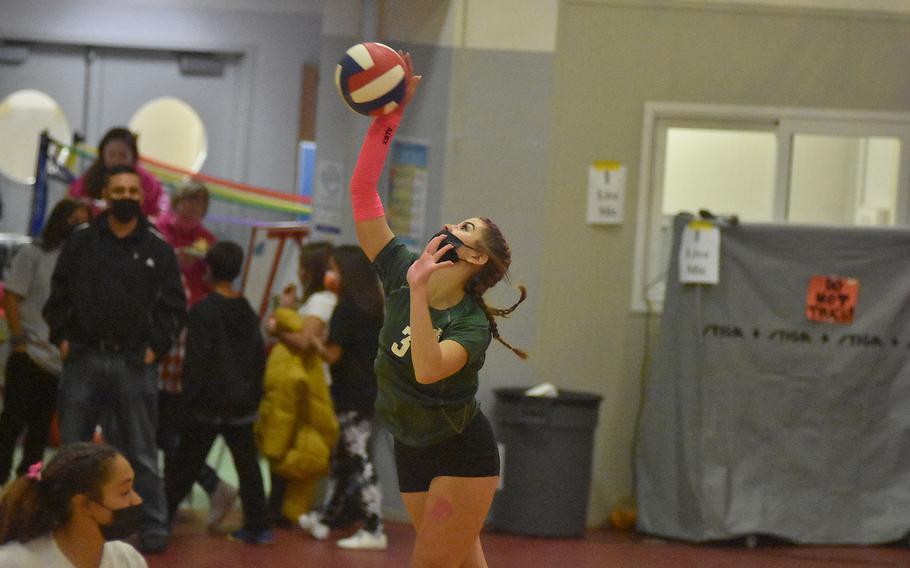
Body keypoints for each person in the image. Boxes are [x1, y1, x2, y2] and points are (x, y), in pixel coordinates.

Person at [347, 53, 527, 567]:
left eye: (465, 228)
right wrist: (388, 119)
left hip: (461, 453)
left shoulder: (469, 326)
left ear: (473, 257)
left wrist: (420, 294)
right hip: (409, 445)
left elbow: (427, 369)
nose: (451, 225)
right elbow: (363, 193)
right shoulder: (401, 265)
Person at [43, 164, 186, 555]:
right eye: (117, 190)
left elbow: (175, 306)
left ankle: (153, 528)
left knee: (141, 451)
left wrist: (156, 347)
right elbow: (58, 295)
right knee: (72, 451)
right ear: (105, 195)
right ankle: (60, 523)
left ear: (142, 197)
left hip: (134, 364)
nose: (125, 196)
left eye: (132, 191)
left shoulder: (158, 247)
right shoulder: (81, 242)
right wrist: (63, 339)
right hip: (83, 360)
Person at [164, 241, 272, 545]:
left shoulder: (202, 311)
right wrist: (252, 395)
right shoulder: (247, 311)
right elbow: (258, 358)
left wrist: (188, 400)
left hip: (207, 404)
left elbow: (196, 359)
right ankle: (258, 526)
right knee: (248, 465)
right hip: (242, 404)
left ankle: (160, 519)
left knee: (185, 465)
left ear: (208, 270)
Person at [154, 181, 237, 531]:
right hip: (160, 329)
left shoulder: (208, 241)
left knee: (170, 420)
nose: (191, 208)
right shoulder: (158, 232)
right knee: (159, 421)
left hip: (192, 335)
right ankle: (186, 489)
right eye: (187, 200)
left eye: (198, 203)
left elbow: (215, 286)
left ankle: (191, 489)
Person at [297, 245, 387, 549]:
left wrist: (314, 342)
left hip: (350, 394)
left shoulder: (346, 309)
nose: (329, 275)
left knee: (359, 460)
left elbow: (333, 355)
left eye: (333, 268)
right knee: (343, 458)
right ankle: (327, 517)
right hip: (368, 390)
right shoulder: (373, 306)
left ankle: (375, 527)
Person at [0, 199, 89, 486]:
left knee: (41, 426)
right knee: (12, 420)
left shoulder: (83, 262)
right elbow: (12, 296)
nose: (77, 228)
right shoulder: (34, 254)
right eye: (73, 220)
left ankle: (29, 480)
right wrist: (19, 340)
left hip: (58, 359)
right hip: (28, 352)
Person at [255, 242, 339, 527]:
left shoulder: (320, 302)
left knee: (288, 443)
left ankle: (277, 509)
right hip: (301, 383)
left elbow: (304, 341)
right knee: (285, 440)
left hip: (306, 386)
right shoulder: (315, 300)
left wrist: (279, 326)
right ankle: (279, 507)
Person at [0, 442, 147, 568]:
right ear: (83, 504)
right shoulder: (14, 563)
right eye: (124, 492)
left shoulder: (129, 559)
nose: (137, 500)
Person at [68, 127, 169, 220]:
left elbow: (158, 214)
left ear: (133, 156)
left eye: (123, 156)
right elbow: (73, 200)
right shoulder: (91, 176)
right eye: (111, 155)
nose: (116, 161)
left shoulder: (147, 182)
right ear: (103, 155)